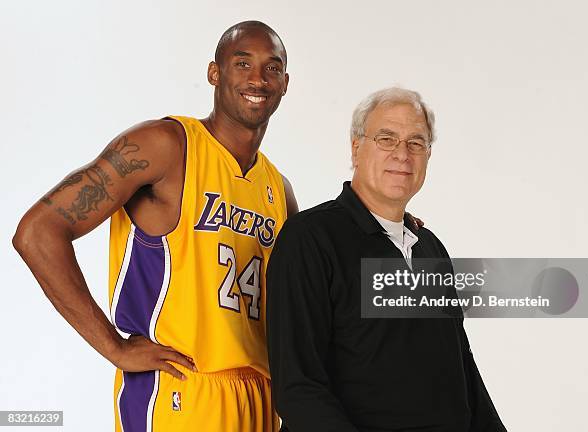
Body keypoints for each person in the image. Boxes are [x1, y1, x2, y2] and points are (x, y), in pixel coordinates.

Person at [13, 20, 297, 432]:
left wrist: (390, 226)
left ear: (285, 83)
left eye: (271, 68)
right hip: (180, 390)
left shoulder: (279, 189)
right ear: (214, 73)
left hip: (261, 399)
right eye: (242, 63)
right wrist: (114, 347)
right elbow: (37, 232)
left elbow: (306, 298)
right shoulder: (165, 145)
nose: (258, 78)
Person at [266, 87, 507, 431]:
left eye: (416, 142)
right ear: (356, 147)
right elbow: (299, 389)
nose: (402, 155)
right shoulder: (310, 239)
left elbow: (462, 370)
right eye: (387, 139)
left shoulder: (431, 249)